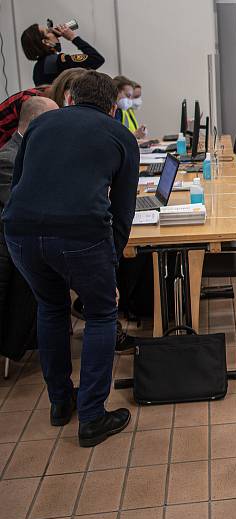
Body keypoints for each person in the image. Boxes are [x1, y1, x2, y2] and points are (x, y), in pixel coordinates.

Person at [2, 70, 138, 447]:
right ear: (112, 107)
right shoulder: (120, 136)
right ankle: (92, 417)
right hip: (80, 234)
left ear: (70, 99)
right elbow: (122, 210)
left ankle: (61, 403)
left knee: (50, 307)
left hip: (20, 233)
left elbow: (17, 187)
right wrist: (109, 268)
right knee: (100, 313)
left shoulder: (42, 126)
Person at [0, 96, 59, 367]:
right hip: (21, 247)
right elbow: (26, 207)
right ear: (38, 122)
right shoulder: (8, 159)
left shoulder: (34, 149)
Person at [20, 22, 105, 86]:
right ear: (46, 42)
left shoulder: (38, 67)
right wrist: (73, 38)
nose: (54, 33)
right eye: (48, 32)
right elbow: (96, 59)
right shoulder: (57, 61)